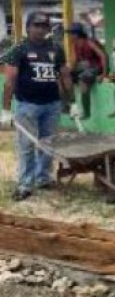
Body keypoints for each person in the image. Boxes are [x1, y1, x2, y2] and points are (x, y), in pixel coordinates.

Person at [0, 11, 77, 200]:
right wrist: (6, 110)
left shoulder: (56, 49)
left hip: (52, 104)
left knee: (48, 144)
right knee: (26, 145)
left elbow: (65, 75)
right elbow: (10, 80)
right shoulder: (19, 49)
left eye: (45, 26)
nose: (41, 29)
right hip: (28, 105)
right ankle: (25, 184)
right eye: (37, 25)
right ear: (28, 27)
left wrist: (73, 102)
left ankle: (43, 178)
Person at [68, 23, 107, 119]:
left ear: (77, 34)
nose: (70, 36)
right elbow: (76, 60)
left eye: (72, 33)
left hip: (96, 68)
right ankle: (72, 107)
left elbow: (103, 56)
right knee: (65, 77)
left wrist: (103, 74)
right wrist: (70, 72)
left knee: (83, 80)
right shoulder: (75, 45)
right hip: (86, 68)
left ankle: (86, 112)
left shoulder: (89, 42)